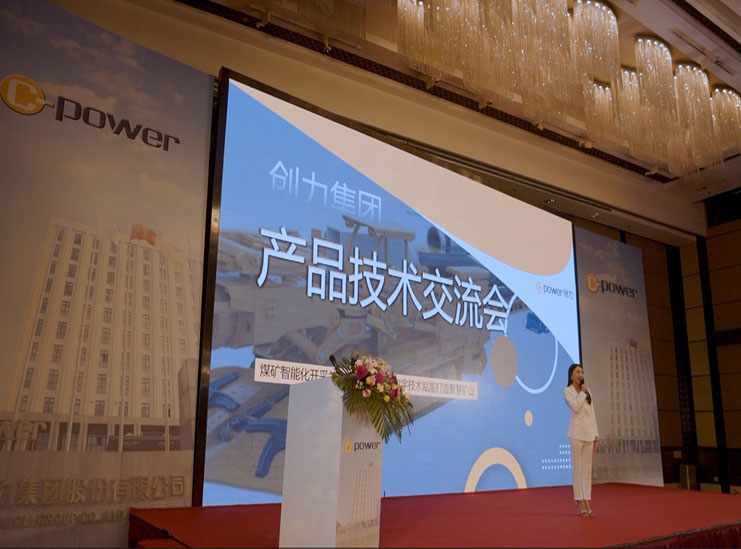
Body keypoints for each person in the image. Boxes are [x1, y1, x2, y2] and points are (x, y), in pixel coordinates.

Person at [564, 363, 599, 517]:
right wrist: (583, 393)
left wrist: (596, 434)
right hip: (576, 434)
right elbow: (576, 407)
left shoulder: (587, 391)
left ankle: (587, 499)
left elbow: (592, 414)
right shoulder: (568, 391)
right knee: (577, 469)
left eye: (582, 372)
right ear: (572, 375)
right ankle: (579, 500)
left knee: (587, 470)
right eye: (577, 372)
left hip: (589, 434)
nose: (580, 374)